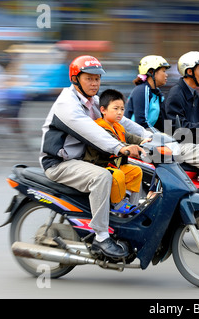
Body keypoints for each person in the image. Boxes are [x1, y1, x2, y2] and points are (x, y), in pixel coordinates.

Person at [40, 55, 142, 259]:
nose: (95, 83)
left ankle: (125, 217)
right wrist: (120, 147)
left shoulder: (93, 101)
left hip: (82, 160)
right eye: (89, 78)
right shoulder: (67, 105)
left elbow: (122, 122)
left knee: (137, 169)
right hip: (60, 163)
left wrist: (151, 138)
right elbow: (93, 133)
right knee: (102, 177)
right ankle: (101, 238)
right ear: (75, 79)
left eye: (97, 79)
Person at [126, 55, 199, 200]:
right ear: (151, 73)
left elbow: (164, 121)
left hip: (160, 139)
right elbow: (141, 122)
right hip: (143, 141)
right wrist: (166, 139)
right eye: (163, 71)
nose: (166, 74)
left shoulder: (158, 94)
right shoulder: (143, 91)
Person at [83, 89, 149, 216]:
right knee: (118, 175)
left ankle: (132, 205)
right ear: (103, 110)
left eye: (122, 109)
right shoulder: (99, 127)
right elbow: (116, 143)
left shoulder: (117, 126)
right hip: (100, 166)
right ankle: (117, 204)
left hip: (114, 165)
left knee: (136, 171)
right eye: (115, 108)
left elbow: (129, 137)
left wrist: (144, 141)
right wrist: (130, 148)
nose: (119, 112)